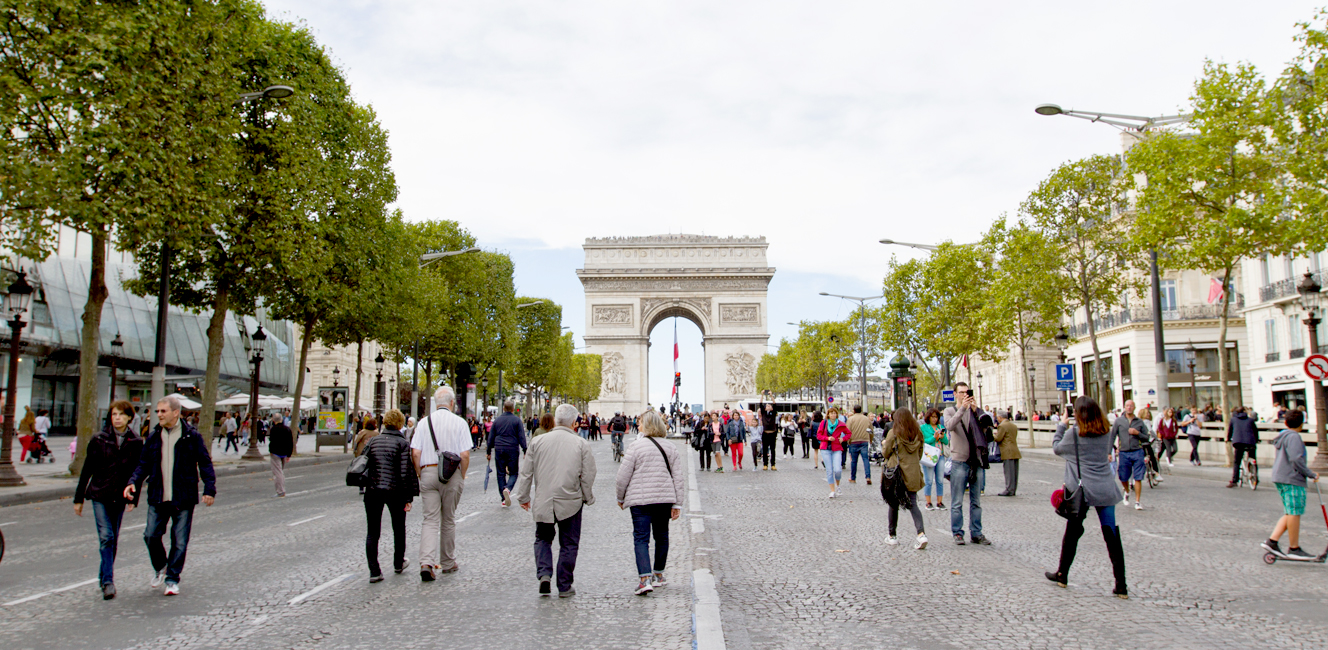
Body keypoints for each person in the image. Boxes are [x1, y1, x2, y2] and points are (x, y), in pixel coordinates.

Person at [123, 396, 217, 596]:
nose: (158, 415)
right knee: (150, 535)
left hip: (183, 496)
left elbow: (205, 462)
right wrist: (133, 482)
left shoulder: (191, 436)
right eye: (157, 411)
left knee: (180, 540)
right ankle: (160, 566)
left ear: (176, 412)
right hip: (158, 494)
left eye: (163, 411)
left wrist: (210, 489)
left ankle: (172, 578)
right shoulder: (154, 436)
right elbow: (144, 464)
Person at [1047, 396, 1128, 599]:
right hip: (1105, 488)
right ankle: (1121, 585)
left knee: (1072, 534)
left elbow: (1057, 448)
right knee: (1111, 534)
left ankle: (1062, 574)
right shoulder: (1105, 432)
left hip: (1082, 491)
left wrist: (1061, 425)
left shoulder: (1074, 433)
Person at [515, 404, 596, 597]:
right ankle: (564, 585)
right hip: (570, 501)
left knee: (542, 538)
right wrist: (587, 496)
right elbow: (588, 474)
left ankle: (544, 574)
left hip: (544, 499)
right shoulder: (581, 444)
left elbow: (526, 473)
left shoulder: (537, 442)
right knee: (569, 543)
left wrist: (523, 496)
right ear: (575, 422)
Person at [74, 400, 144, 600]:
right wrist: (78, 498)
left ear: (129, 417)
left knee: (112, 538)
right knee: (106, 536)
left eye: (121, 414)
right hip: (99, 494)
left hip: (120, 496)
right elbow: (87, 469)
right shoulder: (99, 439)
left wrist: (134, 497)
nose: (117, 418)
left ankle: (103, 574)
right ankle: (108, 582)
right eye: (114, 414)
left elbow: (137, 472)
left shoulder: (136, 442)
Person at [615, 409, 684, 595]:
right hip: (664, 499)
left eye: (640, 423)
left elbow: (622, 476)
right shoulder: (670, 447)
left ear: (647, 426)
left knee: (641, 538)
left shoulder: (635, 447)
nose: (637, 426)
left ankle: (645, 579)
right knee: (661, 536)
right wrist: (677, 504)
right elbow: (678, 477)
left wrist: (620, 497)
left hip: (640, 501)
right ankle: (659, 575)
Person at [410, 386, 472, 581]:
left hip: (428, 470)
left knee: (429, 519)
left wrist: (421, 473)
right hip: (451, 473)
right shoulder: (460, 423)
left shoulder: (423, 423)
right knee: (448, 519)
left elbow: (416, 453)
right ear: (452, 403)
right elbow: (464, 454)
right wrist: (462, 475)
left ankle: (426, 562)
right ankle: (447, 561)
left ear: (436, 403)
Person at [362, 408, 418, 582]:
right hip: (394, 490)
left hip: (372, 489)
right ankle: (398, 562)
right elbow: (404, 472)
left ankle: (374, 571)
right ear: (400, 424)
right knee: (399, 528)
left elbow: (364, 462)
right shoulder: (402, 444)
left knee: (373, 531)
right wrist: (408, 496)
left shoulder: (373, 441)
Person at [1262, 410, 1320, 559]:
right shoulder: (1294, 437)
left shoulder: (1283, 435)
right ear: (1301, 423)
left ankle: (1272, 541)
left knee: (1290, 511)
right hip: (1292, 477)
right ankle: (1294, 547)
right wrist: (1310, 473)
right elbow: (1296, 459)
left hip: (1280, 476)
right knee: (1295, 512)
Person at [944, 382, 990, 546]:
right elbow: (950, 426)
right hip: (959, 461)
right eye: (961, 392)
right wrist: (963, 408)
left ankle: (976, 533)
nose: (964, 395)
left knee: (976, 501)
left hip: (975, 461)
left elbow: (986, 430)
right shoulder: (950, 411)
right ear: (955, 394)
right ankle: (957, 532)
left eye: (967, 392)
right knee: (957, 501)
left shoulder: (975, 411)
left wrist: (977, 412)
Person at [881, 407, 927, 549]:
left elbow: (886, 452)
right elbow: (920, 453)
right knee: (913, 503)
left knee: (893, 504)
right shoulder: (918, 433)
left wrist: (884, 446)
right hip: (913, 472)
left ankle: (892, 535)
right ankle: (921, 534)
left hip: (897, 473)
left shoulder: (893, 433)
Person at [486, 399, 528, 508]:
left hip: (499, 448)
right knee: (513, 473)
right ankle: (508, 489)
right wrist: (525, 450)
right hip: (512, 448)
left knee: (500, 473)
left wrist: (488, 451)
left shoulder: (497, 420)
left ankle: (503, 498)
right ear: (513, 409)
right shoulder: (517, 420)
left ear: (504, 408)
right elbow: (521, 437)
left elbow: (490, 437)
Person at [1109, 399, 1147, 510]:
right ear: (1124, 407)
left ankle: (1137, 502)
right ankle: (1127, 490)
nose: (1129, 407)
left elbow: (1146, 437)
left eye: (1131, 406)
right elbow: (1112, 436)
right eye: (1127, 406)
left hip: (1137, 451)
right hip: (1124, 452)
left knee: (1138, 477)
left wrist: (1137, 433)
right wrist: (1109, 452)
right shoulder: (1119, 421)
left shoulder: (1139, 422)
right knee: (1123, 477)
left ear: (1134, 407)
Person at [817, 407, 850, 498]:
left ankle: (838, 485)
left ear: (837, 415)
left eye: (834, 413)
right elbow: (818, 435)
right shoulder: (823, 423)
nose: (833, 415)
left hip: (836, 448)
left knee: (838, 470)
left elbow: (849, 433)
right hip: (825, 448)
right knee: (829, 470)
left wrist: (843, 439)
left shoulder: (841, 424)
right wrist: (827, 438)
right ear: (828, 414)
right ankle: (832, 491)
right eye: (831, 413)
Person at [920, 408, 947, 511]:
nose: (935, 419)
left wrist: (942, 436)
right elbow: (923, 441)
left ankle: (939, 502)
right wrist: (934, 438)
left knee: (940, 480)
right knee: (929, 480)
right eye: (933, 417)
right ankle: (928, 502)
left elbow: (946, 442)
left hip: (940, 455)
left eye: (936, 417)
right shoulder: (923, 427)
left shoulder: (940, 427)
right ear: (928, 417)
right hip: (929, 456)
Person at [1228, 406, 1260, 488]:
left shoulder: (1233, 420)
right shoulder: (1250, 420)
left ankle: (1235, 480)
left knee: (1237, 462)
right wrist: (1256, 440)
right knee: (1253, 458)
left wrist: (1228, 439)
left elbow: (1230, 431)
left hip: (1238, 442)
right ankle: (1255, 477)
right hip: (1250, 442)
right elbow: (1255, 431)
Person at [993, 409, 1021, 497]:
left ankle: (1008, 489)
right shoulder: (1013, 425)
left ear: (1000, 417)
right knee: (1014, 472)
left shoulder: (1002, 426)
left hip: (1007, 451)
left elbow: (998, 438)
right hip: (1015, 450)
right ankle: (1013, 489)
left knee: (1008, 472)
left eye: (997, 417)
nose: (997, 419)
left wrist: (993, 434)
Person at [846, 404, 873, 486]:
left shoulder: (851, 419)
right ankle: (868, 477)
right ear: (861, 410)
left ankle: (853, 478)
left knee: (854, 461)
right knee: (866, 460)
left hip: (854, 441)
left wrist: (848, 441)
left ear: (854, 410)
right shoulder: (866, 419)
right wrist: (870, 440)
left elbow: (847, 431)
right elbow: (871, 430)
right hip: (864, 441)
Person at [268, 413, 294, 498]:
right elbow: (290, 442)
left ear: (273, 420)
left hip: (275, 453)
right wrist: (289, 454)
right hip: (284, 453)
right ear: (281, 419)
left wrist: (271, 451)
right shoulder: (287, 429)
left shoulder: (273, 429)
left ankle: (280, 491)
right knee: (280, 471)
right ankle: (281, 489)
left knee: (278, 473)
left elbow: (271, 441)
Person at [759, 392, 779, 470]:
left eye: (769, 406)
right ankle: (765, 464)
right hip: (765, 433)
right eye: (766, 405)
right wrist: (762, 395)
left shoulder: (773, 413)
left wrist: (771, 395)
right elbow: (760, 404)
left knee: (773, 449)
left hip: (772, 433)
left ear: (771, 408)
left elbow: (775, 404)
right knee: (764, 449)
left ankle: (773, 464)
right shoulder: (763, 413)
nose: (767, 406)